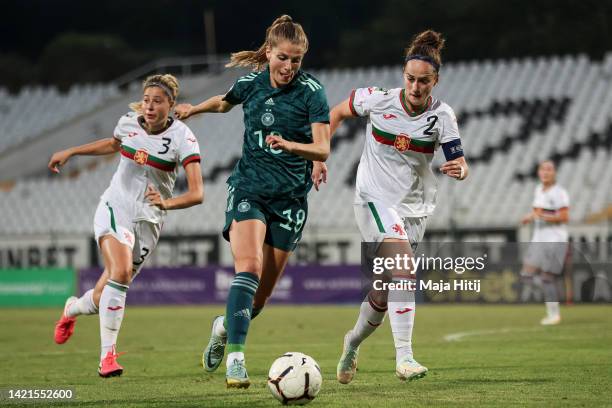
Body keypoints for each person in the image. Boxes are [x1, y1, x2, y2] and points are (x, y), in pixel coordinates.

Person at [174, 15, 330, 388]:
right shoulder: (251, 84)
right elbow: (224, 102)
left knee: (259, 300)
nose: (289, 67)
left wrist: (295, 147)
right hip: (249, 188)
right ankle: (237, 361)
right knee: (249, 266)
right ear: (268, 52)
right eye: (282, 58)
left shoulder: (312, 92)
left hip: (291, 200)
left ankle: (223, 327)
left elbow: (322, 148)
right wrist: (194, 109)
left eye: (296, 60)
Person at [327, 30, 468, 383]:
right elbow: (336, 113)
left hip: (415, 209)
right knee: (404, 268)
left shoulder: (443, 116)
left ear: (436, 80)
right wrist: (319, 156)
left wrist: (460, 169)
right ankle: (404, 358)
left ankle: (351, 342)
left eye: (424, 81)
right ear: (402, 75)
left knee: (384, 289)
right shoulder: (377, 99)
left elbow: (460, 160)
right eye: (410, 79)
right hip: (373, 198)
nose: (416, 87)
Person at [49, 74, 204, 377]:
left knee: (102, 294)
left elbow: (198, 193)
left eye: (157, 101)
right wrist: (72, 151)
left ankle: (71, 309)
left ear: (170, 105)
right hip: (115, 206)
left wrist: (165, 203)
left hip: (150, 219)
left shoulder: (183, 138)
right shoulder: (128, 122)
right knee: (119, 273)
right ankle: (108, 358)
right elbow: (112, 144)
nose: (149, 106)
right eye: (146, 100)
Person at [520, 160, 569, 325]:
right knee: (526, 276)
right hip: (538, 239)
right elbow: (537, 212)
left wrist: (542, 216)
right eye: (543, 169)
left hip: (555, 239)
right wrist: (529, 216)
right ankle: (554, 293)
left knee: (547, 277)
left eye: (549, 169)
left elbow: (564, 216)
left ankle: (553, 314)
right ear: (539, 172)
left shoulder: (559, 192)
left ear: (554, 173)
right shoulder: (538, 190)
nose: (545, 172)